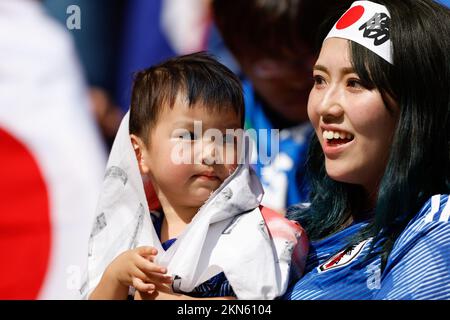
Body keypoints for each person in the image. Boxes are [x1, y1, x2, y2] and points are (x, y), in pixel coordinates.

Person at [81, 52, 308, 300]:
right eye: (189, 136)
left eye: (225, 138)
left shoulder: (253, 237)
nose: (211, 153)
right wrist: (114, 278)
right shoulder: (131, 236)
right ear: (140, 154)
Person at [283, 0, 450, 300]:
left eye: (355, 83)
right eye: (319, 80)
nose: (324, 106)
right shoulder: (301, 221)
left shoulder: (439, 230)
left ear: (419, 106)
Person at [211, 0, 354, 212]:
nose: (295, 79)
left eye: (310, 54)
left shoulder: (367, 128)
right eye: (271, 61)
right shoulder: (213, 126)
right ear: (238, 54)